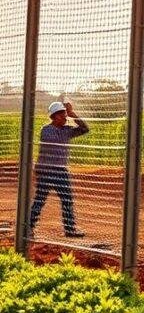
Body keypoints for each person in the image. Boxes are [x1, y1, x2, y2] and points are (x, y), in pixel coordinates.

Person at [29, 101, 89, 239]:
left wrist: (72, 114)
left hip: (60, 171)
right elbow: (54, 140)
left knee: (67, 200)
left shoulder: (66, 130)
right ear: (54, 116)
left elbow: (85, 129)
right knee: (40, 200)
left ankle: (70, 230)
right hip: (46, 171)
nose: (65, 117)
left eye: (65, 115)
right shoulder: (46, 130)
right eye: (62, 115)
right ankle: (28, 227)